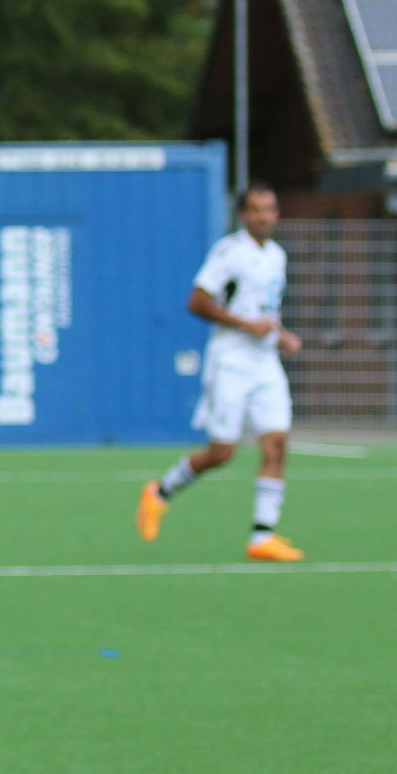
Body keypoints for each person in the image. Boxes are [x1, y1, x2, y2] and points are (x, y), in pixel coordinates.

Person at [137, 181, 305, 561]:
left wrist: (280, 335)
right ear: (243, 215)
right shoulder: (229, 252)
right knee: (221, 452)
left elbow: (263, 309)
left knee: (276, 444)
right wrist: (247, 326)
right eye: (257, 210)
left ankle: (262, 536)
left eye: (271, 209)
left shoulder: (277, 255)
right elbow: (197, 301)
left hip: (265, 363)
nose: (265, 216)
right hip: (230, 361)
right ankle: (159, 493)